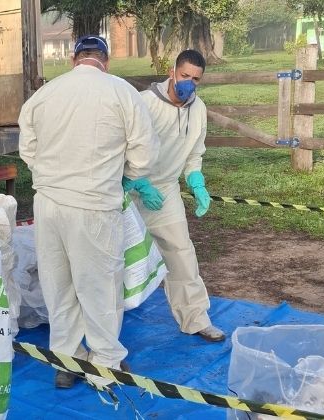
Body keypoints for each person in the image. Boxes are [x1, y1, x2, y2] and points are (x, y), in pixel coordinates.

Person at [18, 35, 162, 390]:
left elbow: (28, 149)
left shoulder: (44, 95)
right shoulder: (121, 91)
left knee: (58, 283)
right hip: (94, 203)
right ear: (106, 61)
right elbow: (145, 152)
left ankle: (68, 360)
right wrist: (126, 177)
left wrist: (53, 175)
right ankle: (106, 361)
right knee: (99, 286)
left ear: (73, 59)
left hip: (49, 203)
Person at [132, 49, 225, 342]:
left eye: (196, 79)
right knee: (116, 260)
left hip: (167, 190)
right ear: (172, 72)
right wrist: (139, 184)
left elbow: (194, 154)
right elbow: (122, 151)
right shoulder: (143, 104)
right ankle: (100, 331)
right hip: (129, 191)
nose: (189, 83)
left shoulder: (198, 109)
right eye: (185, 75)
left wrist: (196, 182)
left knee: (182, 254)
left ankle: (196, 318)